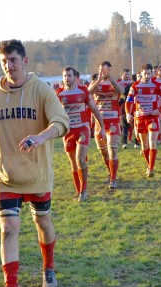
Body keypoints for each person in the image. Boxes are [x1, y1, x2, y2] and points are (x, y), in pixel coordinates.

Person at [0, 39, 69, 287]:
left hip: (37, 174)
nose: (9, 66)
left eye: (13, 60)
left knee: (42, 220)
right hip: (5, 176)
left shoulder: (41, 90)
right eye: (4, 61)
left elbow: (61, 122)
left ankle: (48, 268)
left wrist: (41, 138)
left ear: (24, 61)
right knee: (8, 229)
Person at [56, 66, 104, 201]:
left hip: (83, 128)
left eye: (69, 76)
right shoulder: (59, 94)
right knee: (73, 164)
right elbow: (54, 113)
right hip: (68, 132)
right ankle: (78, 190)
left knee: (80, 160)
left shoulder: (83, 91)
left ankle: (84, 191)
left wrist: (102, 127)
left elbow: (94, 109)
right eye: (65, 76)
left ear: (75, 77)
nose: (67, 78)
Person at [125, 64, 161, 177]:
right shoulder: (135, 86)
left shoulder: (155, 85)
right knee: (144, 145)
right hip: (140, 118)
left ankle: (151, 168)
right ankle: (149, 164)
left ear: (152, 73)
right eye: (145, 73)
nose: (147, 75)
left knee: (152, 142)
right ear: (141, 73)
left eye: (149, 73)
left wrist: (158, 110)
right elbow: (129, 101)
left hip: (152, 117)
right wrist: (128, 114)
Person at [88, 61, 125, 189]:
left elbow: (122, 90)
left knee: (112, 149)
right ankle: (111, 172)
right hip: (99, 122)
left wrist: (111, 79)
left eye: (105, 69)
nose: (103, 71)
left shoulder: (115, 83)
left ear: (110, 69)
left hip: (113, 121)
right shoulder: (95, 84)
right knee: (104, 152)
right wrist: (98, 79)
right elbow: (88, 92)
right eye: (101, 69)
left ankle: (113, 180)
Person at [117, 68, 135, 149]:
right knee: (124, 125)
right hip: (124, 105)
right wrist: (118, 104)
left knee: (134, 125)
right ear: (122, 74)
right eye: (125, 74)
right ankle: (124, 141)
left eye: (128, 74)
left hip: (135, 107)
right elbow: (122, 95)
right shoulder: (119, 83)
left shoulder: (132, 83)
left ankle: (133, 141)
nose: (127, 76)